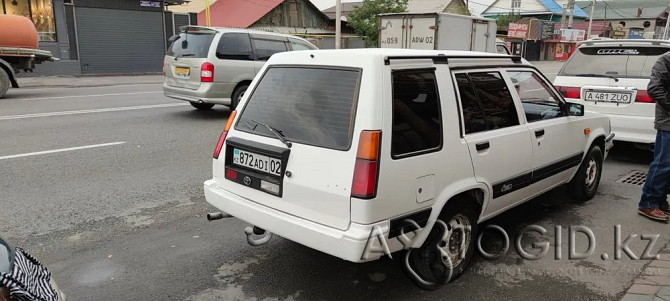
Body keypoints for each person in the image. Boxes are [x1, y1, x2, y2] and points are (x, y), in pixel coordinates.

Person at [638, 51, 670, 222]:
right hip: (668, 120)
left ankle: (660, 200)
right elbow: (655, 88)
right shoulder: (666, 59)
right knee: (664, 163)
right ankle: (648, 203)